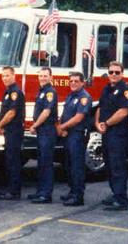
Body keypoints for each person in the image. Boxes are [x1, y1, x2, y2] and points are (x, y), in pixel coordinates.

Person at [95, 61, 128, 210]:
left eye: (117, 72)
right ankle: (115, 193)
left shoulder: (126, 90)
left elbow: (123, 112)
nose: (113, 75)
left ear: (122, 74)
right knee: (109, 166)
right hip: (107, 133)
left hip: (118, 133)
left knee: (118, 166)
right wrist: (98, 123)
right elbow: (100, 107)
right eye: (111, 72)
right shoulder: (106, 89)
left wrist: (107, 124)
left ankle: (121, 199)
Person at [58, 72, 92, 206]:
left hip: (77, 135)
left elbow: (79, 117)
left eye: (76, 81)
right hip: (69, 135)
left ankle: (78, 196)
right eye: (71, 81)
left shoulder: (84, 97)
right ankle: (72, 192)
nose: (73, 83)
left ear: (82, 82)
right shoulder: (71, 96)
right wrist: (62, 128)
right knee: (69, 165)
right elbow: (65, 114)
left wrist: (62, 127)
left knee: (77, 166)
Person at [28, 67, 58, 204]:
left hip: (47, 131)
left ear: (51, 77)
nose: (43, 78)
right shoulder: (42, 92)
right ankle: (40, 191)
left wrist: (35, 125)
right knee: (41, 162)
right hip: (42, 132)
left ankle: (46, 194)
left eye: (45, 76)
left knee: (46, 163)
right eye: (41, 76)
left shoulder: (50, 92)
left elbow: (46, 112)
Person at [0, 66, 25, 200]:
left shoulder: (15, 92)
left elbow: (11, 113)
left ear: (14, 76)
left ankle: (14, 192)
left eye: (7, 75)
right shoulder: (8, 91)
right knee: (9, 160)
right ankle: (11, 189)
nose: (5, 78)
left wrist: (0, 124)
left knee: (13, 161)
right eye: (3, 76)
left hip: (14, 130)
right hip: (9, 130)